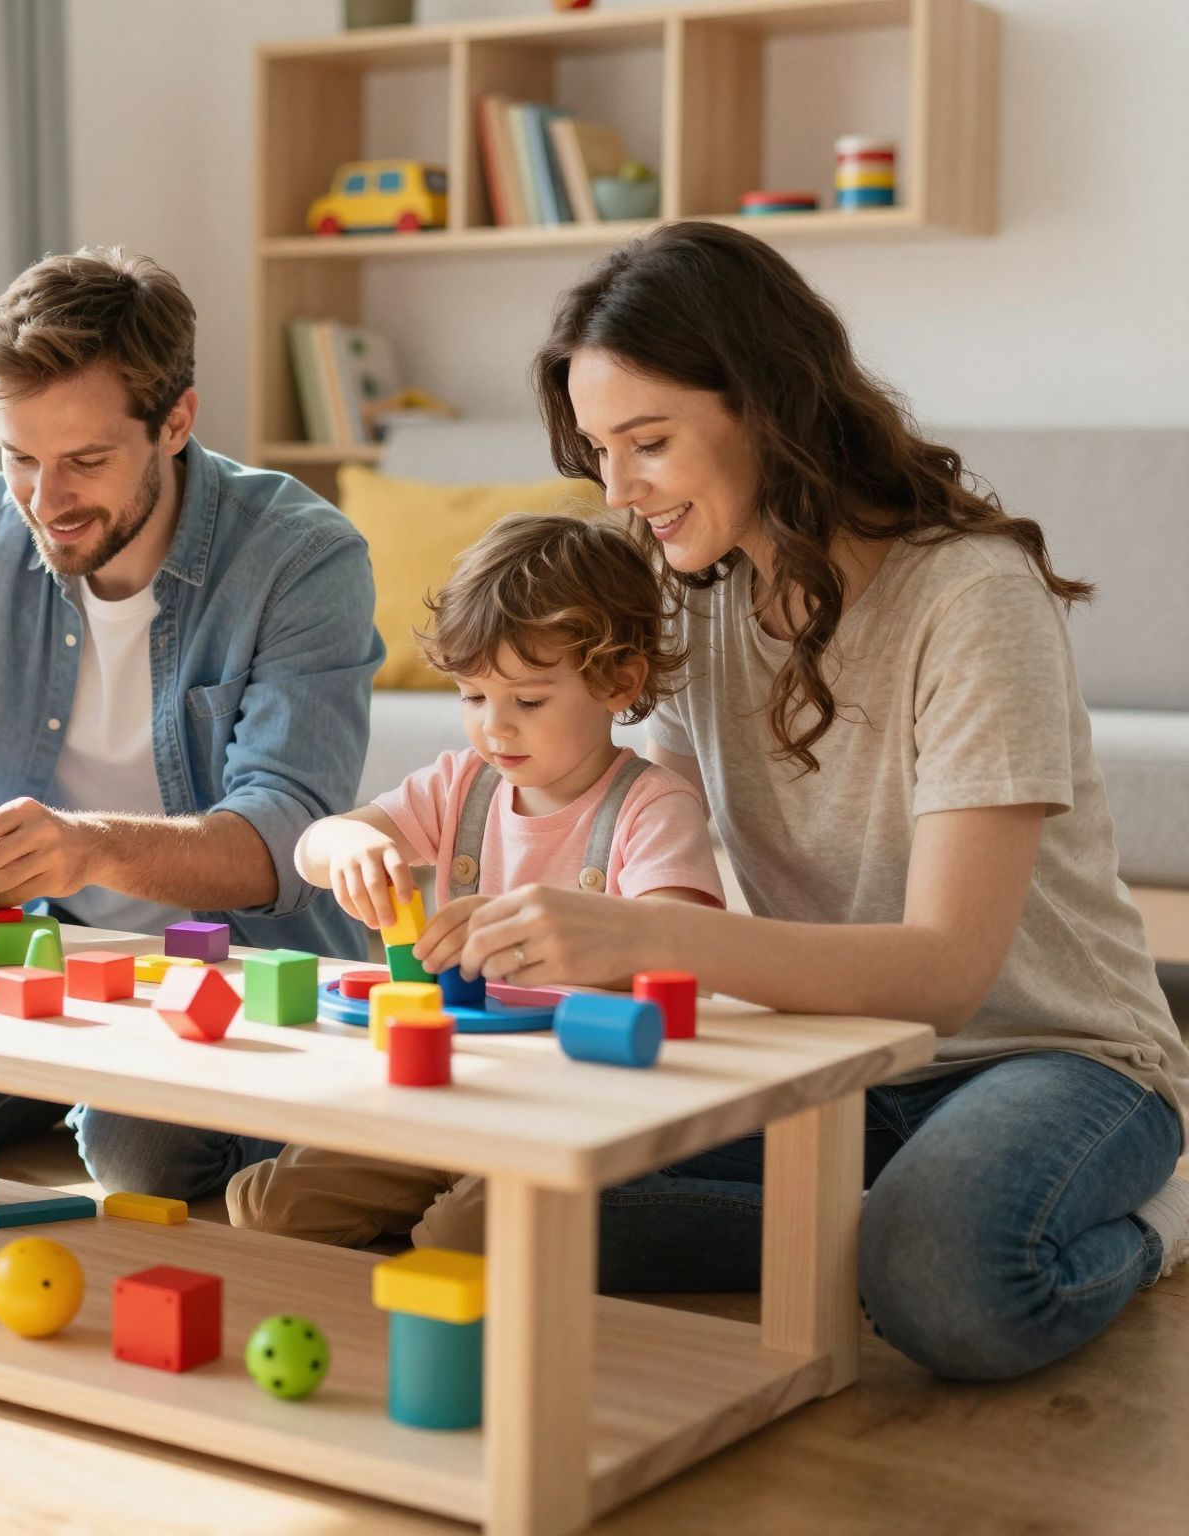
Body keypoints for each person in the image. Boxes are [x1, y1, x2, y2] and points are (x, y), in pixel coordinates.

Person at [431, 221, 1189, 1380]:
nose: (617, 491)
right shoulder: (685, 601)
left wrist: (642, 934)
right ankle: (894, 1216)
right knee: (501, 1214)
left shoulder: (968, 598)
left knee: (946, 1286)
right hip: (844, 1062)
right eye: (597, 450)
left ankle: (1148, 1218)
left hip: (1047, 1057)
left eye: (647, 443)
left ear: (764, 408)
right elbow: (630, 813)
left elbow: (945, 974)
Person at [0, 247, 382, 1200]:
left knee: (145, 1154)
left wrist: (89, 848)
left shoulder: (303, 558)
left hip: (238, 969)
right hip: (31, 954)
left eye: (86, 462)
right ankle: (62, 1088)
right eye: (21, 459)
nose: (45, 503)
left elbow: (287, 832)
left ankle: (310, 1130)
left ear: (175, 422)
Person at [229, 513, 723, 1250]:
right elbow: (312, 847)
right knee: (272, 1207)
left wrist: (546, 936)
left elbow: (688, 958)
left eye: (528, 701)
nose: (496, 729)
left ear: (619, 682)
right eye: (472, 696)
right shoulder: (464, 783)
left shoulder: (651, 807)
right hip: (450, 1088)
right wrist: (351, 850)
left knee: (456, 1237)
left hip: (583, 1105)